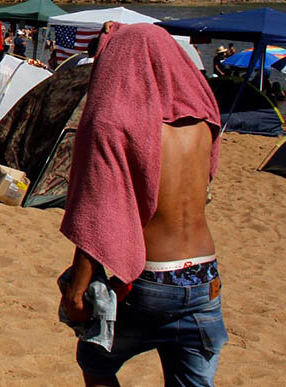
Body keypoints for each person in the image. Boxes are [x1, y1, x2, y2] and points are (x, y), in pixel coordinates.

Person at [58, 23, 226, 386]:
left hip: (151, 279)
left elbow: (101, 212)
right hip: (204, 280)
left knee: (96, 360)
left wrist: (77, 288)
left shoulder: (119, 125)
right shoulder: (203, 122)